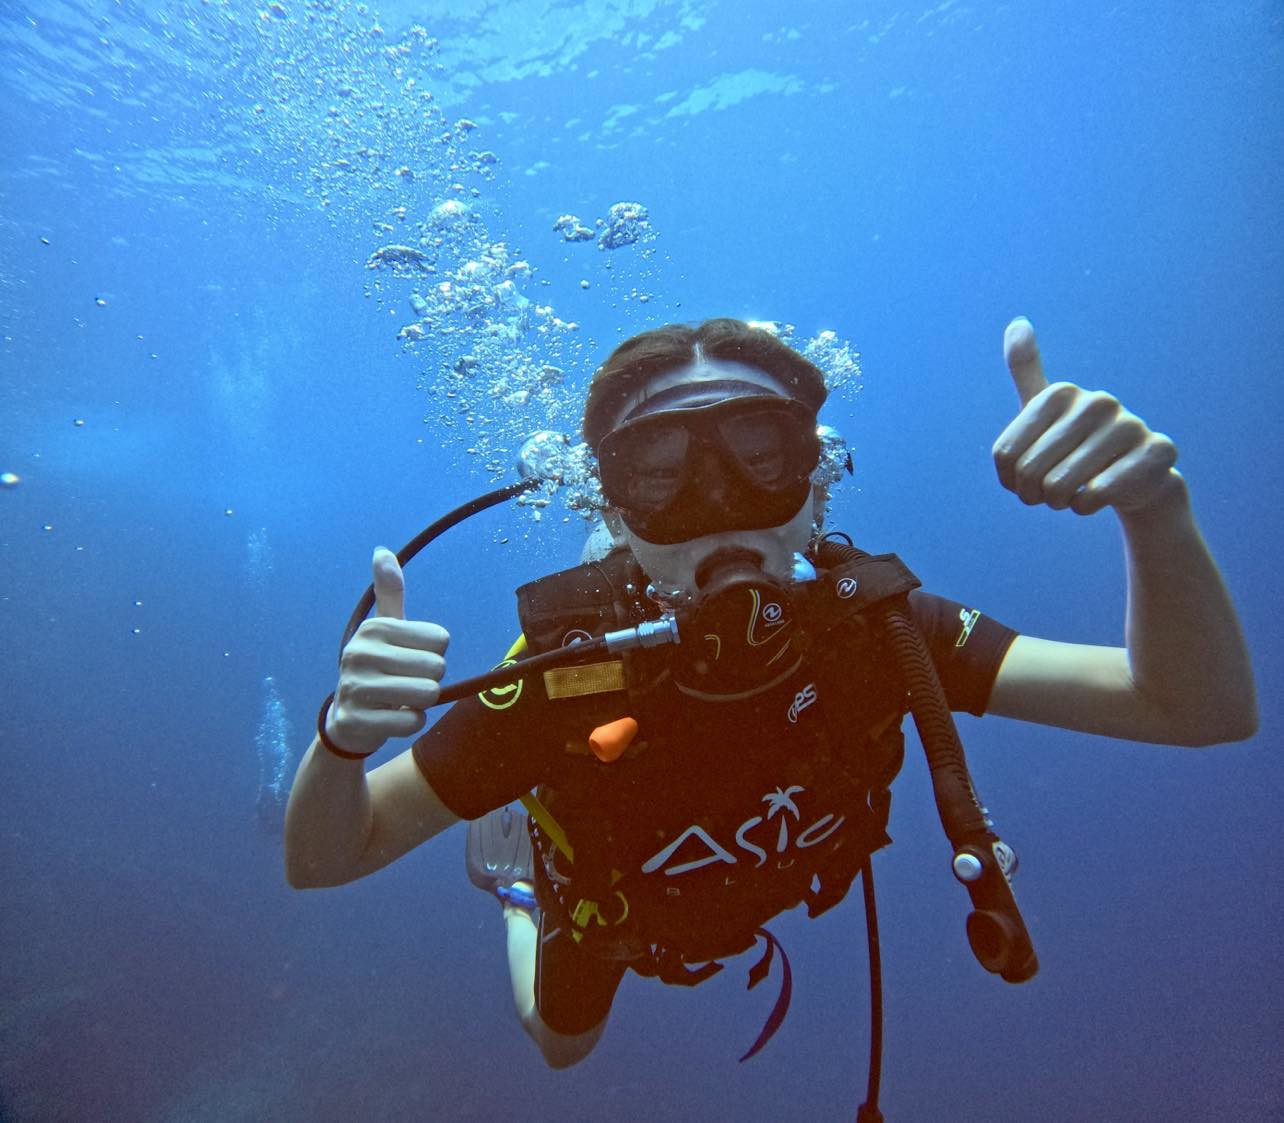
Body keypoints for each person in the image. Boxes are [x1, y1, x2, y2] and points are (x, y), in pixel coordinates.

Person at [284, 316, 1256, 1070]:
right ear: (611, 507)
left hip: (758, 892)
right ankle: (513, 888)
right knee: (563, 1047)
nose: (719, 514)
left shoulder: (878, 631)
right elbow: (328, 857)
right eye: (662, 474)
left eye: (760, 458)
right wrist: (339, 742)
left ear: (816, 478)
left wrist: (1153, 510)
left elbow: (1194, 707)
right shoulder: (563, 682)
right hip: (610, 913)